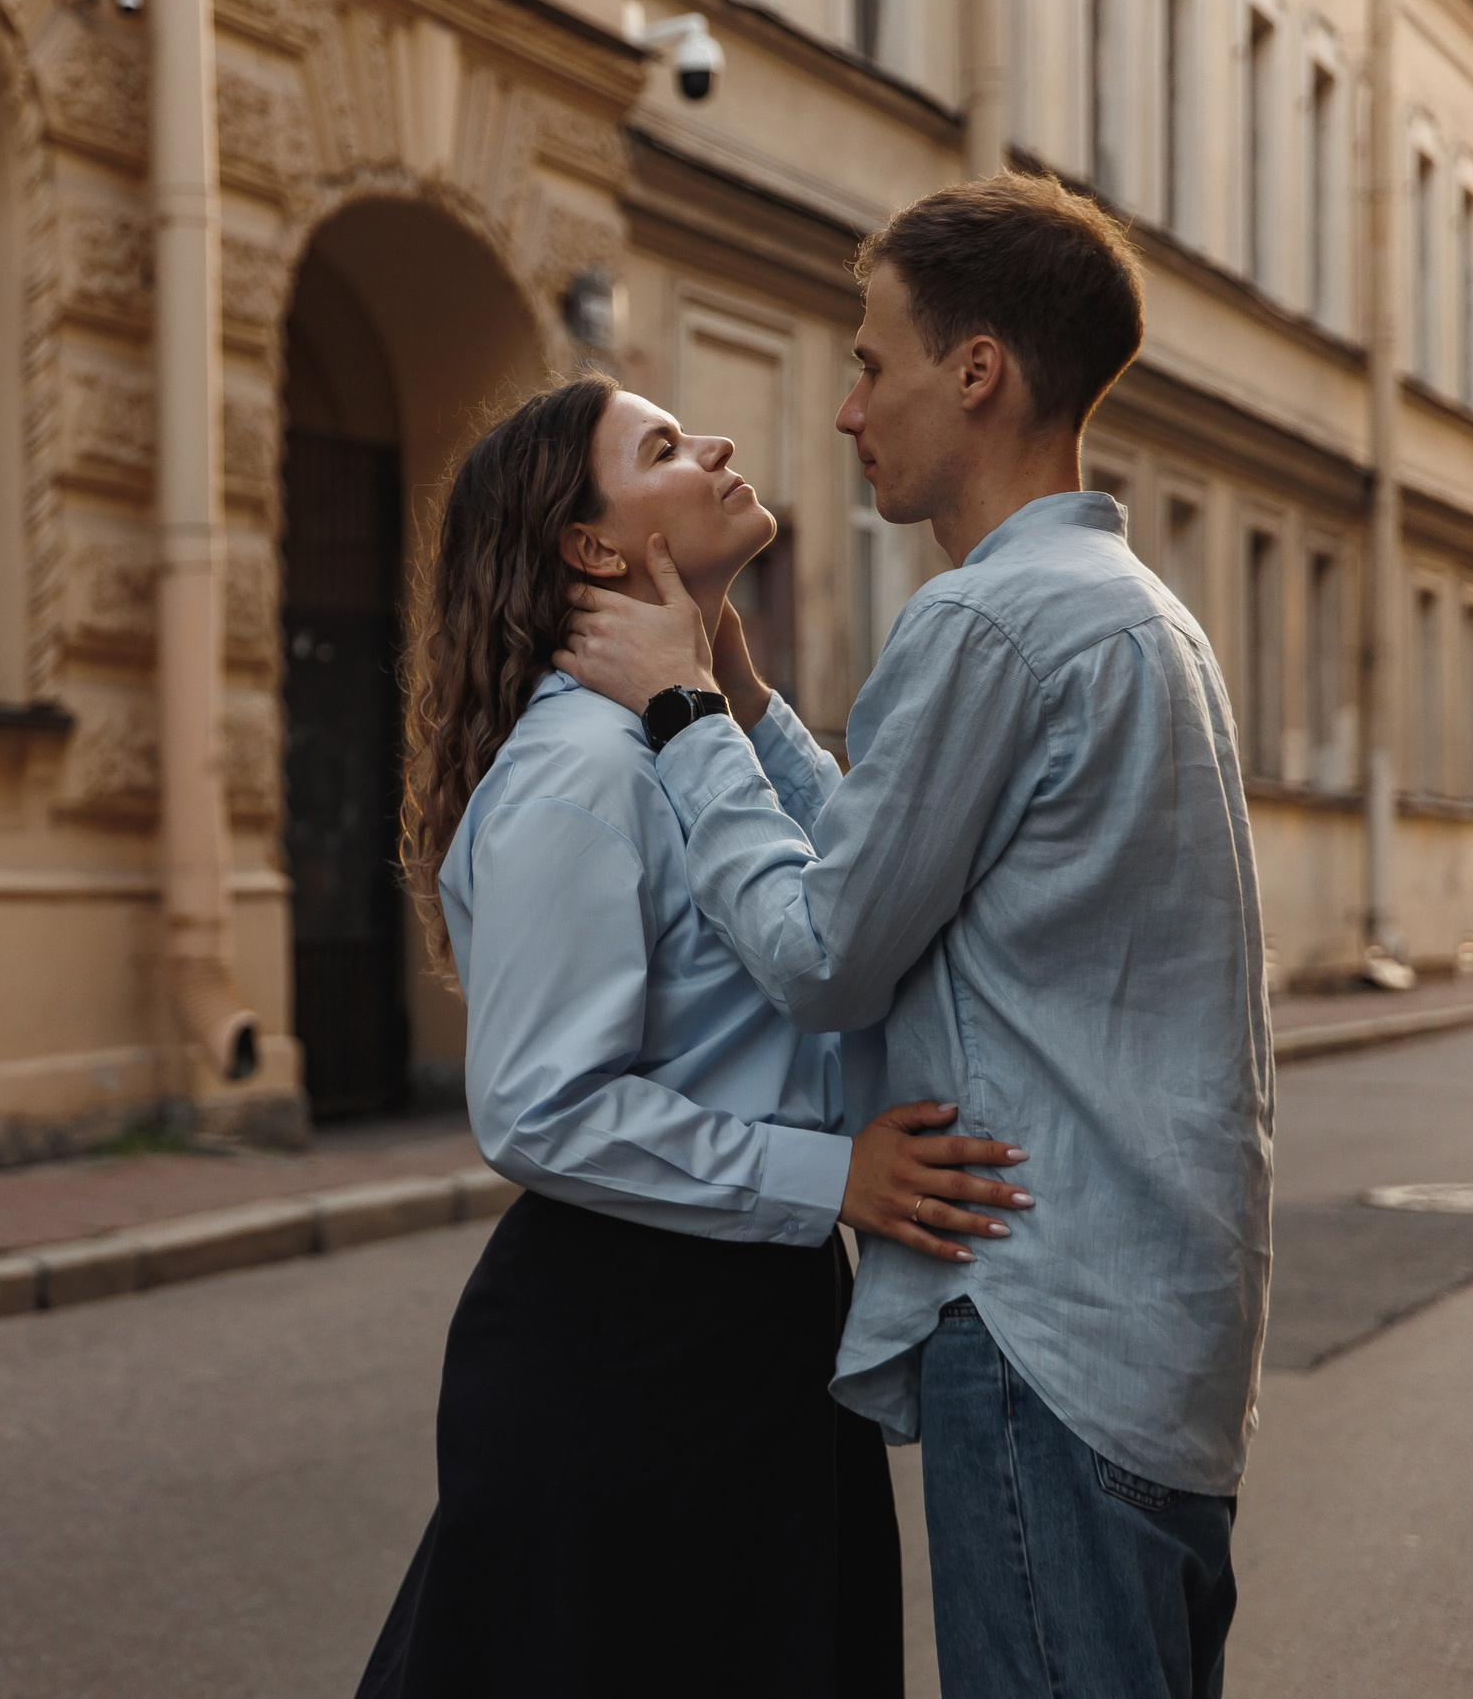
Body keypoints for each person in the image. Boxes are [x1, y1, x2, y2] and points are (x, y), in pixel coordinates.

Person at [558, 172, 1273, 1699]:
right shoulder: (1137, 611)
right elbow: (910, 853)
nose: (844, 408)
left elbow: (826, 949)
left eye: (870, 359)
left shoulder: (984, 623)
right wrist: (749, 702)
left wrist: (680, 712)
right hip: (1160, 1337)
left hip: (1039, 1326)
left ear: (978, 369)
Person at [355, 371, 1036, 1699]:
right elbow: (540, 1108)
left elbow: (851, 902)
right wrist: (831, 1175)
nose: (716, 443)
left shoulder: (674, 739)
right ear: (595, 549)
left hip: (751, 1322)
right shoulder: (582, 770)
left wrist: (731, 692)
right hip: (630, 1340)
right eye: (663, 445)